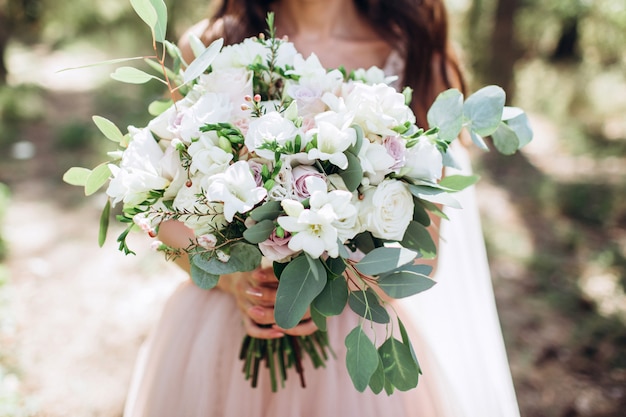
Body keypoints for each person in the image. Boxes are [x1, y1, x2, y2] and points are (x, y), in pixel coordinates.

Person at [123, 0, 521, 416]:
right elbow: (161, 213)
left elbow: (424, 257)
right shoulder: (207, 46)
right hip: (221, 328)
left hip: (348, 343)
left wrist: (327, 291)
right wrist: (233, 281)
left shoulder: (420, 60)